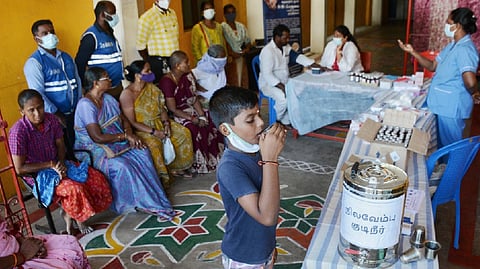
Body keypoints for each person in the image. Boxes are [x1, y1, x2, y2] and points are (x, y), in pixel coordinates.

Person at [74, 67, 175, 219]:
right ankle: (134, 201)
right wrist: (125, 137)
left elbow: (123, 119)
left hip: (116, 141)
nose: (110, 80)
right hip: (93, 149)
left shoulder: (107, 99)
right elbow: (96, 137)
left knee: (142, 152)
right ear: (95, 83)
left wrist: (129, 133)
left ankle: (153, 195)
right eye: (106, 78)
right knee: (123, 166)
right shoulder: (86, 105)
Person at [9, 90, 112, 235]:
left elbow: (60, 145)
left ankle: (69, 214)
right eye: (31, 110)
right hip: (36, 175)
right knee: (73, 188)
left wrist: (61, 164)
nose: (37, 114)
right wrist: (51, 165)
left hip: (58, 164)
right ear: (22, 112)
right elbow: (20, 169)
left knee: (95, 177)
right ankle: (79, 220)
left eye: (39, 107)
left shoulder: (51, 120)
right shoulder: (18, 132)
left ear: (44, 105)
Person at [209, 86, 287, 269]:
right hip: (244, 255)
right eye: (250, 120)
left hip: (263, 248)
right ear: (226, 130)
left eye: (259, 114)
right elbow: (267, 217)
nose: (260, 123)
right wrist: (270, 160)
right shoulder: (230, 167)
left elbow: (269, 198)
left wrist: (269, 247)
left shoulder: (256, 150)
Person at [398, 7, 479, 148]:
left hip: (451, 106)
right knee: (442, 145)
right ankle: (443, 167)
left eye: (448, 22)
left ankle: (452, 169)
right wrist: (413, 52)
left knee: (450, 148)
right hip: (442, 103)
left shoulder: (465, 49)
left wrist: (475, 92)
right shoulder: (453, 45)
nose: (446, 26)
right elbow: (433, 66)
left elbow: (470, 81)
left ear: (457, 25)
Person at [120, 60, 194, 187]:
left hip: (159, 122)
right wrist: (154, 132)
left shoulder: (152, 88)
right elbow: (132, 121)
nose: (151, 73)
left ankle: (176, 168)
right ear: (138, 75)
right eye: (147, 71)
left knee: (183, 133)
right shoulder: (127, 94)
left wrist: (166, 124)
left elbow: (162, 109)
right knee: (154, 144)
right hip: (142, 128)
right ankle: (162, 178)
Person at [23, 19, 82, 160]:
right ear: (36, 39)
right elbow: (38, 94)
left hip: (74, 112)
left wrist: (80, 105)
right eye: (45, 33)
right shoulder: (35, 63)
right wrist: (56, 114)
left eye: (52, 32)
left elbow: (77, 82)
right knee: (62, 152)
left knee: (77, 149)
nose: (51, 35)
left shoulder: (66, 57)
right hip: (54, 118)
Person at [159, 50, 224, 174]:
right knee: (192, 128)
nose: (189, 65)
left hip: (189, 108)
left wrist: (202, 115)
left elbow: (193, 99)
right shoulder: (167, 82)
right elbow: (172, 108)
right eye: (186, 63)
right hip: (176, 113)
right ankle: (197, 164)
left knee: (211, 118)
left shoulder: (187, 77)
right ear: (177, 66)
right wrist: (193, 119)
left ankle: (215, 158)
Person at [258, 24, 318, 126]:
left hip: (284, 81)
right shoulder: (267, 51)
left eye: (288, 37)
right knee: (283, 99)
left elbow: (297, 57)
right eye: (285, 38)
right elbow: (267, 75)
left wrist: (314, 64)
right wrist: (283, 88)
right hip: (269, 84)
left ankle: (284, 118)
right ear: (277, 37)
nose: (287, 40)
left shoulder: (285, 47)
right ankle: (275, 119)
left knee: (298, 92)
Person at [75, 1, 124, 100]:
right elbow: (79, 64)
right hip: (102, 91)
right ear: (102, 15)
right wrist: (85, 88)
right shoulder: (91, 36)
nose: (115, 16)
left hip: (116, 86)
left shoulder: (109, 32)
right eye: (112, 13)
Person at [0, 217, 91, 269]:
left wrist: (29, 243)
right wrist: (21, 256)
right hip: (11, 262)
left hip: (19, 250)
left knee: (69, 242)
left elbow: (8, 233)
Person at [136, 0, 179, 83]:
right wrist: (150, 62)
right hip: (158, 63)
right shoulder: (147, 18)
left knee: (175, 85)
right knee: (162, 87)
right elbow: (140, 46)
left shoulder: (173, 13)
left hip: (174, 60)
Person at [222, 4, 252, 87]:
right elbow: (223, 43)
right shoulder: (222, 28)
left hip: (242, 57)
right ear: (224, 14)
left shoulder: (241, 26)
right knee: (234, 82)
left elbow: (248, 42)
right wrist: (232, 53)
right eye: (228, 13)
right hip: (231, 59)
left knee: (242, 81)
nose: (231, 15)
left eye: (233, 12)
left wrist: (246, 49)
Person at [191, 0, 226, 66]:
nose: (209, 11)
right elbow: (195, 49)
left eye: (211, 8)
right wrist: (203, 62)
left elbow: (223, 43)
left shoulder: (219, 26)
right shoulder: (197, 28)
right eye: (206, 9)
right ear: (202, 12)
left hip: (219, 62)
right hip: (205, 64)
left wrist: (224, 57)